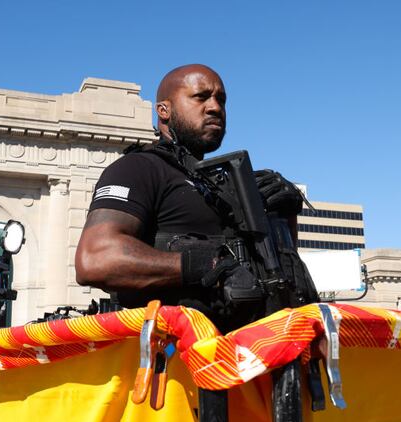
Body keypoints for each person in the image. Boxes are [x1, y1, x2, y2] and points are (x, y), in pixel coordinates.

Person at [75, 64, 314, 332]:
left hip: (254, 351)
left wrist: (284, 216)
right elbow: (95, 259)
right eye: (200, 97)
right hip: (175, 360)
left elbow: (269, 275)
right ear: (163, 110)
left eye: (221, 100)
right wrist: (206, 265)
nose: (215, 107)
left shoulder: (224, 186)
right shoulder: (138, 168)